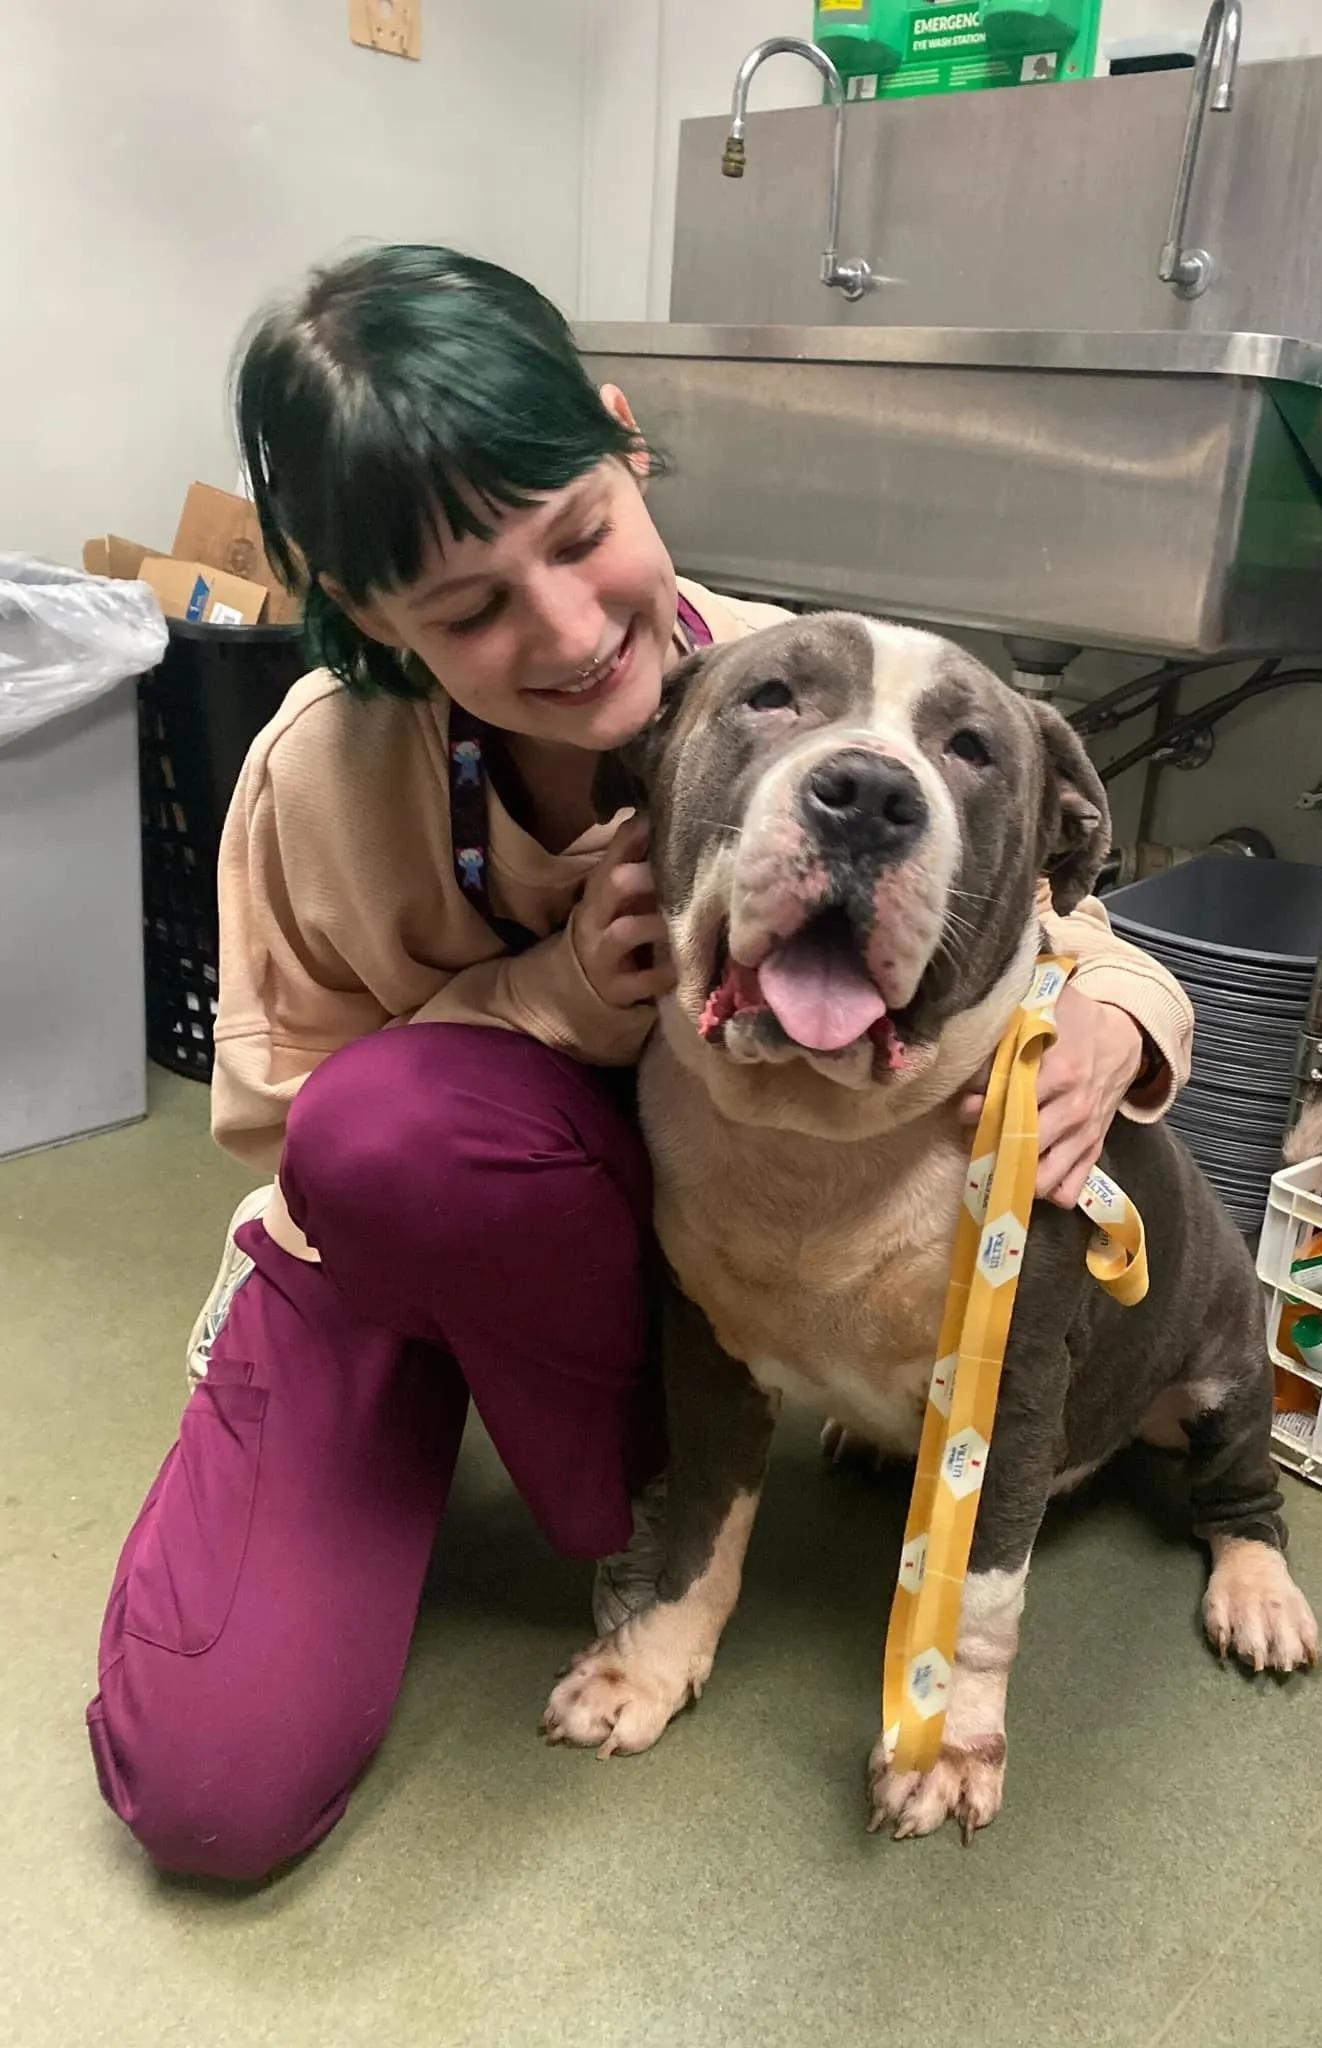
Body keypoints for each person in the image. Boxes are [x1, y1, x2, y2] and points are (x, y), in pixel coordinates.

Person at [86, 245, 1194, 1882]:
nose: (563, 626)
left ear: (624, 440)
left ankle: (650, 1531)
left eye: (581, 535)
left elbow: (1050, 912)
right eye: (464, 609)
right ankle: (555, 1476)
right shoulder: (316, 772)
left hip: (665, 1254)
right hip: (395, 1252)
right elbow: (292, 1124)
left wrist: (1119, 1020)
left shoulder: (779, 679)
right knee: (207, 1787)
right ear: (359, 607)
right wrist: (545, 1001)